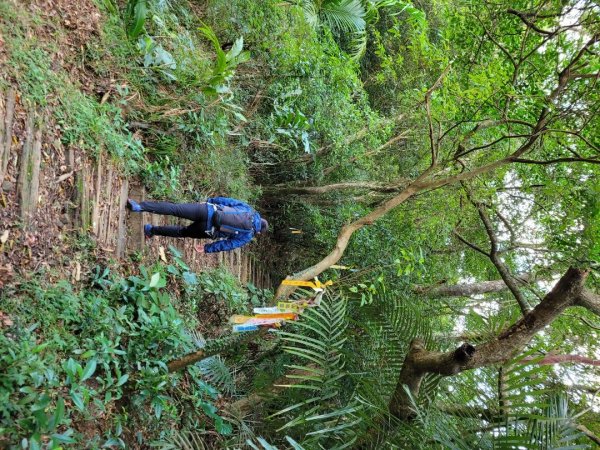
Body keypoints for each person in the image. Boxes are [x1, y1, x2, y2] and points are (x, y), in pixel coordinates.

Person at [126, 196, 268, 253]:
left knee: (174, 209)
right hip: (207, 229)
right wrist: (207, 248)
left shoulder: (248, 210)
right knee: (182, 231)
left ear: (259, 217)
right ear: (259, 231)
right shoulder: (247, 236)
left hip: (207, 210)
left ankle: (139, 207)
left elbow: (227, 201)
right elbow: (228, 244)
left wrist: (210, 200)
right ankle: (151, 230)